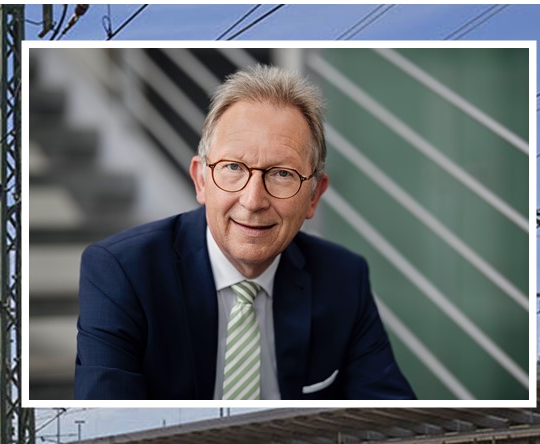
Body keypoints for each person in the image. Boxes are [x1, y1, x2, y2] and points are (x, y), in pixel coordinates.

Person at [74, 64, 414, 401]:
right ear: (201, 180)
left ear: (314, 196)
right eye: (233, 168)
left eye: (282, 174)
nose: (253, 201)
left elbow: (394, 411)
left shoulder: (343, 279)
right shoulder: (122, 272)